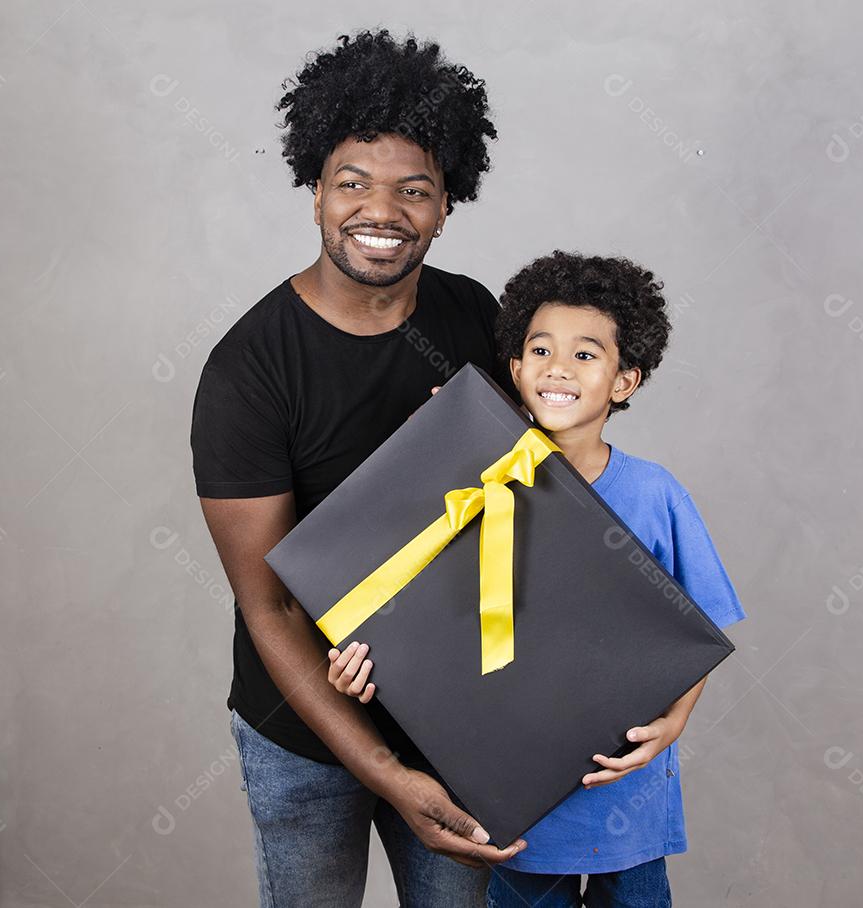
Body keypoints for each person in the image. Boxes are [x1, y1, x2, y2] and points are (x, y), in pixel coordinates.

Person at [190, 28, 528, 908]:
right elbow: (269, 606)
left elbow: (526, 506)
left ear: (447, 204)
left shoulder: (472, 315)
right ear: (315, 195)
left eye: (413, 189)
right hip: (302, 732)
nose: (381, 210)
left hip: (452, 722)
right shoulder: (250, 370)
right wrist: (380, 768)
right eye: (353, 183)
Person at [328, 250, 747, 907]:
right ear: (516, 369)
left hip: (627, 803)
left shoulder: (655, 493)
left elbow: (699, 632)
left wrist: (674, 724)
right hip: (516, 815)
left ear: (625, 379)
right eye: (541, 349)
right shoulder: (470, 483)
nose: (558, 367)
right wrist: (361, 667)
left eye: (586, 355)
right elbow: (414, 617)